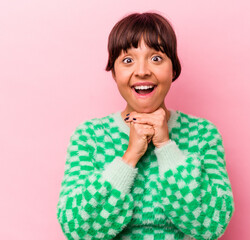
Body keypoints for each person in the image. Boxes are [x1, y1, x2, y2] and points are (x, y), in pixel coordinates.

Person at [56, 11, 235, 240]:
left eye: (156, 58)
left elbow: (212, 225)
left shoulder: (202, 135)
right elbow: (78, 229)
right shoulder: (89, 137)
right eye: (127, 60)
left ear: (173, 69)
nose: (142, 71)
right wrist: (130, 156)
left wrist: (165, 146)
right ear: (114, 72)